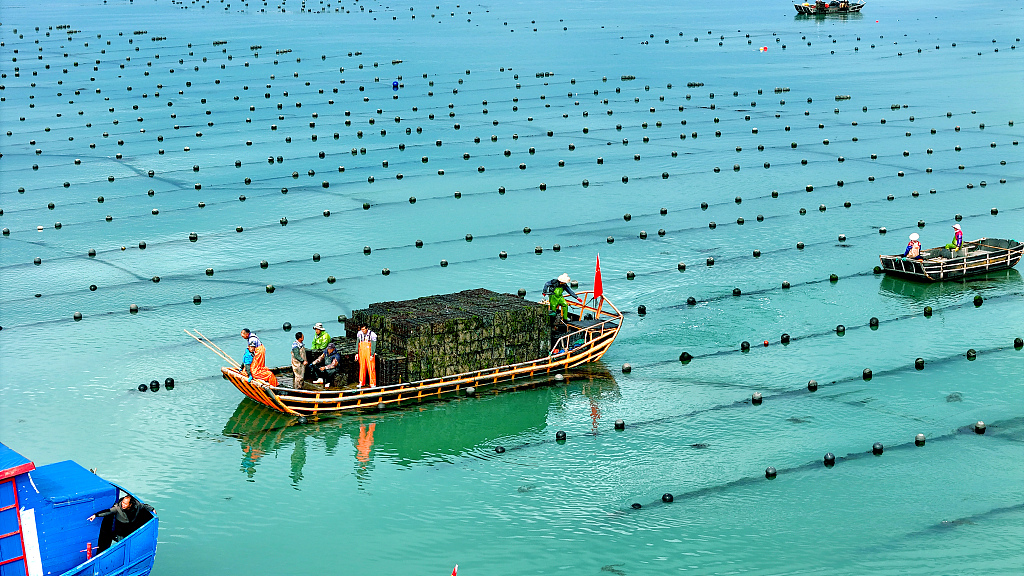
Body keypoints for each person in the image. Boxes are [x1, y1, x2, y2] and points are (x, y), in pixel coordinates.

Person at [88, 495, 155, 552]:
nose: (123, 505)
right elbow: (108, 511)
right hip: (121, 531)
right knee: (122, 545)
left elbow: (144, 506)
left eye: (125, 504)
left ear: (130, 504)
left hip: (131, 528)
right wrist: (96, 515)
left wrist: (152, 509)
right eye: (123, 502)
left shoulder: (137, 506)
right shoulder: (117, 508)